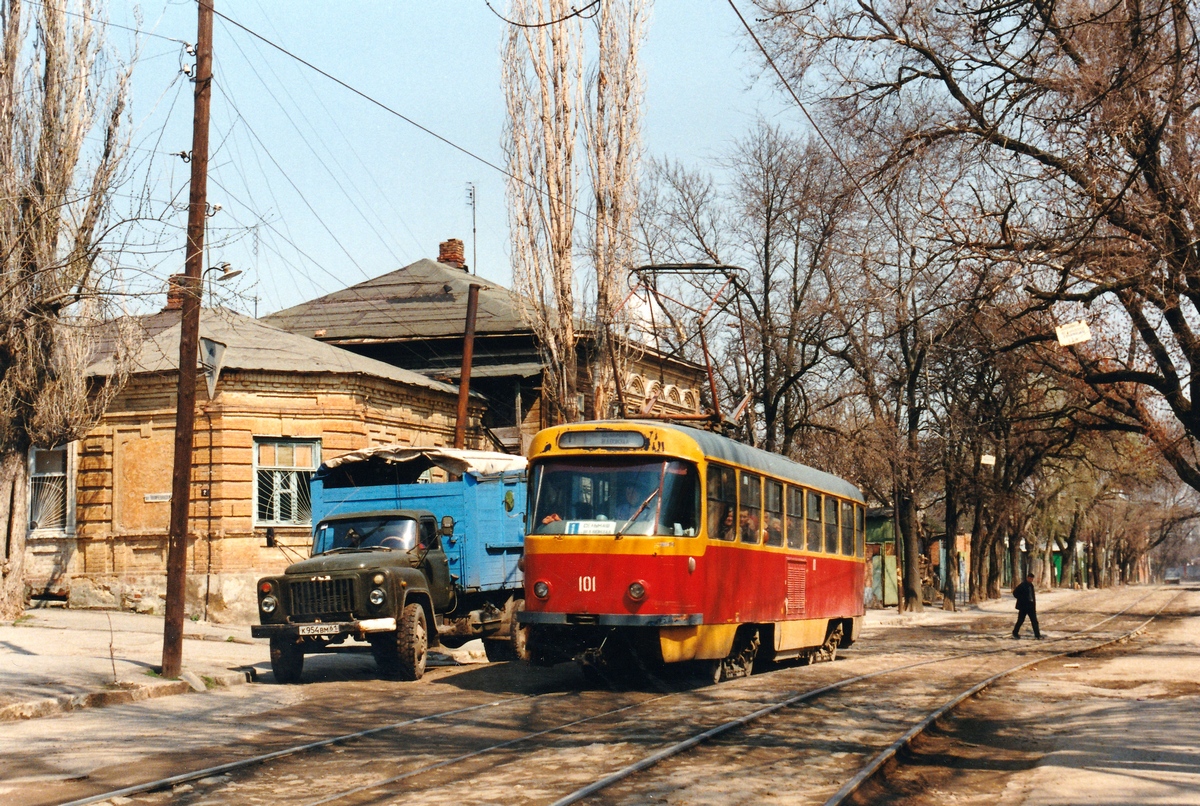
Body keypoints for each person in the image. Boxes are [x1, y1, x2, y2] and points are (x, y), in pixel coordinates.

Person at [1012, 572, 1042, 639]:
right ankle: (1015, 632)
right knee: (1020, 620)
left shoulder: (1031, 586)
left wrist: (1033, 605)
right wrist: (1021, 599)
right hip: (1023, 607)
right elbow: (1015, 593)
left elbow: (1032, 596)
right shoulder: (1022, 585)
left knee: (1034, 621)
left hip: (1030, 606)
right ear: (1027, 578)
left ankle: (1037, 635)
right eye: (1030, 578)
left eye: (1032, 578)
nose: (1031, 579)